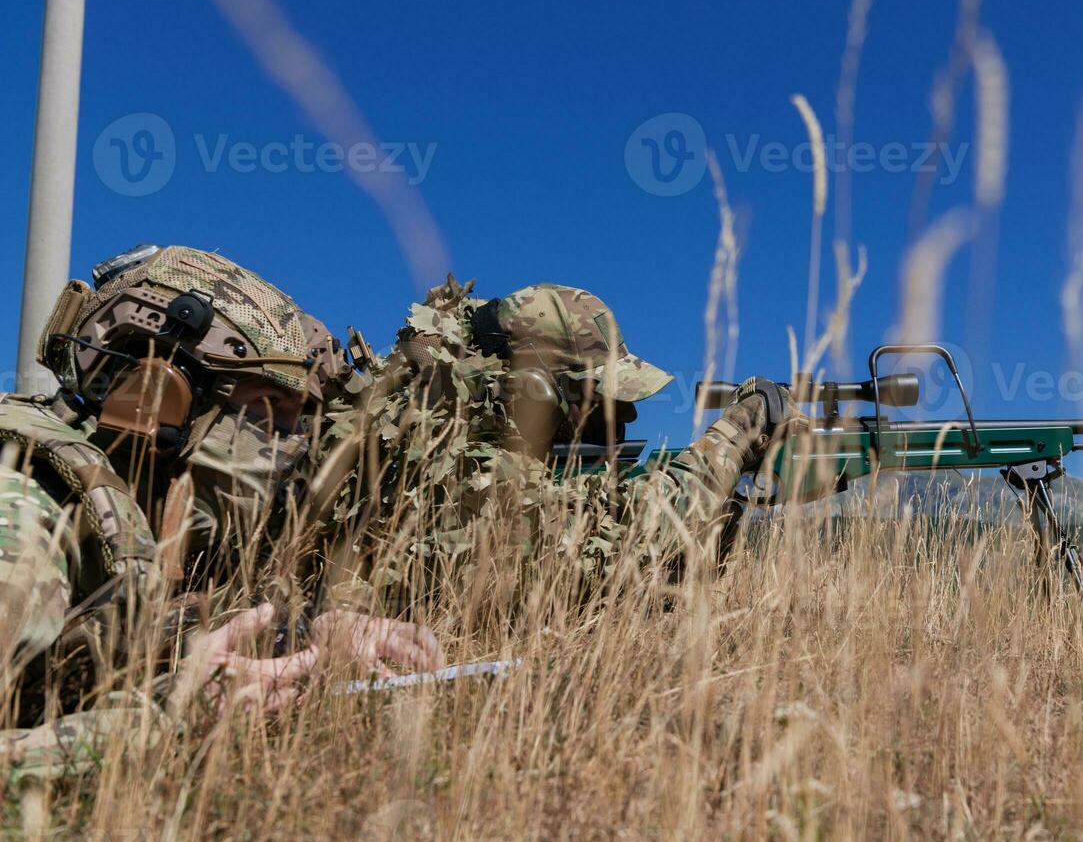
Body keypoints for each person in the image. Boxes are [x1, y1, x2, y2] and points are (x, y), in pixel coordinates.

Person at [0, 244, 444, 736]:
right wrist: (171, 718)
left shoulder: (166, 528)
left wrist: (303, 641)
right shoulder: (21, 509)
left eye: (301, 425)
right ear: (158, 391)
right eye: (270, 410)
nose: (290, 447)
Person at [312, 277, 808, 609]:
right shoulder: (444, 453)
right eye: (598, 396)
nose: (626, 414)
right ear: (535, 393)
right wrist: (740, 431)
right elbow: (624, 542)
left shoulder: (438, 426)